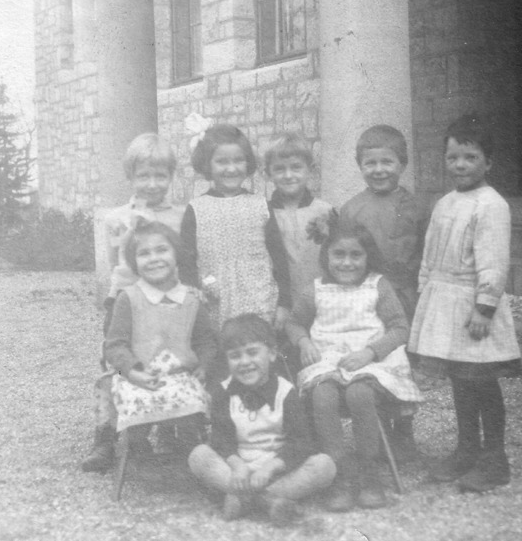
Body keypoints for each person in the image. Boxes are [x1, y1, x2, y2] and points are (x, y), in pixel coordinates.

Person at [407, 113, 521, 493]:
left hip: (473, 306)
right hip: (444, 302)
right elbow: (429, 253)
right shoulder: (445, 203)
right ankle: (467, 449)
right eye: (453, 157)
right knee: (460, 380)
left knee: (482, 381)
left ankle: (495, 459)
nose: (460, 165)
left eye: (471, 157)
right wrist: (425, 292)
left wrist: (484, 307)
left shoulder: (492, 205)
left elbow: (494, 260)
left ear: (489, 162)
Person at [285, 220, 423, 511]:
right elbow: (294, 323)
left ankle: (368, 471)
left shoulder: (377, 285)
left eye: (355, 255)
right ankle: (337, 473)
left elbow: (400, 328)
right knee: (323, 396)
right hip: (328, 361)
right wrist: (304, 342)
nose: (347, 262)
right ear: (326, 255)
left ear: (368, 256)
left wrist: (371, 352)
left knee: (359, 394)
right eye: (339, 254)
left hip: (371, 362)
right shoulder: (315, 290)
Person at [82, 133, 186, 473]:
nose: (152, 183)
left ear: (171, 176)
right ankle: (105, 435)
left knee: (165, 359)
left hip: (167, 301)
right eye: (144, 176)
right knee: (116, 364)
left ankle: (167, 429)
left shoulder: (182, 216)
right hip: (126, 300)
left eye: (160, 175)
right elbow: (117, 263)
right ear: (130, 176)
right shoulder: (117, 218)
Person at [188, 314, 335, 526]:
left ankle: (246, 499)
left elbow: (301, 442)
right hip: (238, 472)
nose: (245, 362)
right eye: (235, 356)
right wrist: (238, 466)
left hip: (277, 473)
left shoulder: (286, 393)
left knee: (324, 466)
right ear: (227, 360)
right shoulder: (223, 392)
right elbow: (221, 440)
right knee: (199, 455)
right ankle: (267, 502)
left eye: (252, 352)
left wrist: (272, 467)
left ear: (272, 353)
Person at [338, 124, 428, 457]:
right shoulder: (352, 209)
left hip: (405, 297)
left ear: (402, 164)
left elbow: (424, 252)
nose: (379, 170)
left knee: (401, 365)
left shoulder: (415, 206)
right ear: (360, 166)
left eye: (387, 162)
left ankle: (403, 433)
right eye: (370, 163)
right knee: (374, 362)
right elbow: (344, 256)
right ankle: (378, 433)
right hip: (367, 299)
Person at [105, 221, 217, 455]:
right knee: (133, 402)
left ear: (176, 255)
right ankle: (139, 452)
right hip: (138, 376)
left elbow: (206, 341)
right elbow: (115, 345)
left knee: (192, 403)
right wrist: (132, 372)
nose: (154, 258)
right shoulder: (129, 298)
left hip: (180, 376)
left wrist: (205, 366)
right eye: (144, 253)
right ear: (134, 262)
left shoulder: (191, 299)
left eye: (162, 250)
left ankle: (189, 453)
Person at [179, 122, 291, 339]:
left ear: (247, 162)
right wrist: (193, 298)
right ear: (207, 164)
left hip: (259, 300)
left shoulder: (260, 205)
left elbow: (278, 257)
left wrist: (284, 304)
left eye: (238, 160)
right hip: (215, 301)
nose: (231, 169)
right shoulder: (196, 209)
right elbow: (186, 262)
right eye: (222, 162)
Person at [264, 132, 333, 376]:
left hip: (320, 301)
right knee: (287, 364)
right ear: (268, 173)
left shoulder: (325, 211)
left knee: (319, 361)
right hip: (284, 304)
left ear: (309, 170)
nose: (288, 175)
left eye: (296, 167)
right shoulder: (264, 213)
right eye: (279, 169)